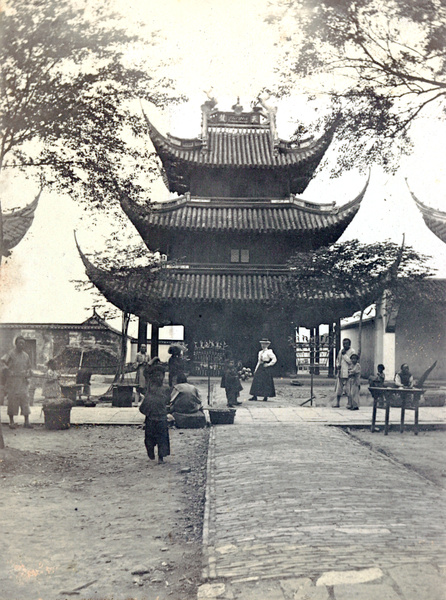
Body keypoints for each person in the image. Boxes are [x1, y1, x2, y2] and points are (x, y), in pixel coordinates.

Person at [139, 360, 170, 464]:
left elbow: (142, 408)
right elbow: (168, 401)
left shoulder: (150, 391)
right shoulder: (165, 390)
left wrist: (147, 412)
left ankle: (151, 452)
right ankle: (160, 457)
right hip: (161, 419)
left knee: (150, 438)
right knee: (162, 439)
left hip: (151, 419)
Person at [1, 336, 33, 429]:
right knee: (12, 402)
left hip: (23, 382)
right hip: (13, 382)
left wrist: (28, 373)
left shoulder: (26, 356)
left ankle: (26, 422)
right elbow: (2, 362)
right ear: (16, 344)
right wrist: (7, 370)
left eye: (23, 343)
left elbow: (29, 367)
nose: (21, 345)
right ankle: (11, 422)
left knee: (25, 401)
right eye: (20, 343)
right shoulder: (10, 354)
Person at [333, 338, 356, 408]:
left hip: (348, 373)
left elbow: (351, 361)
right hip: (341, 373)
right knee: (338, 389)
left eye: (346, 344)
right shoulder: (341, 350)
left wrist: (345, 355)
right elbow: (338, 359)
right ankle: (337, 403)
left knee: (348, 389)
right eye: (344, 344)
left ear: (349, 344)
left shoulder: (352, 351)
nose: (345, 345)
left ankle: (349, 403)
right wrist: (337, 365)